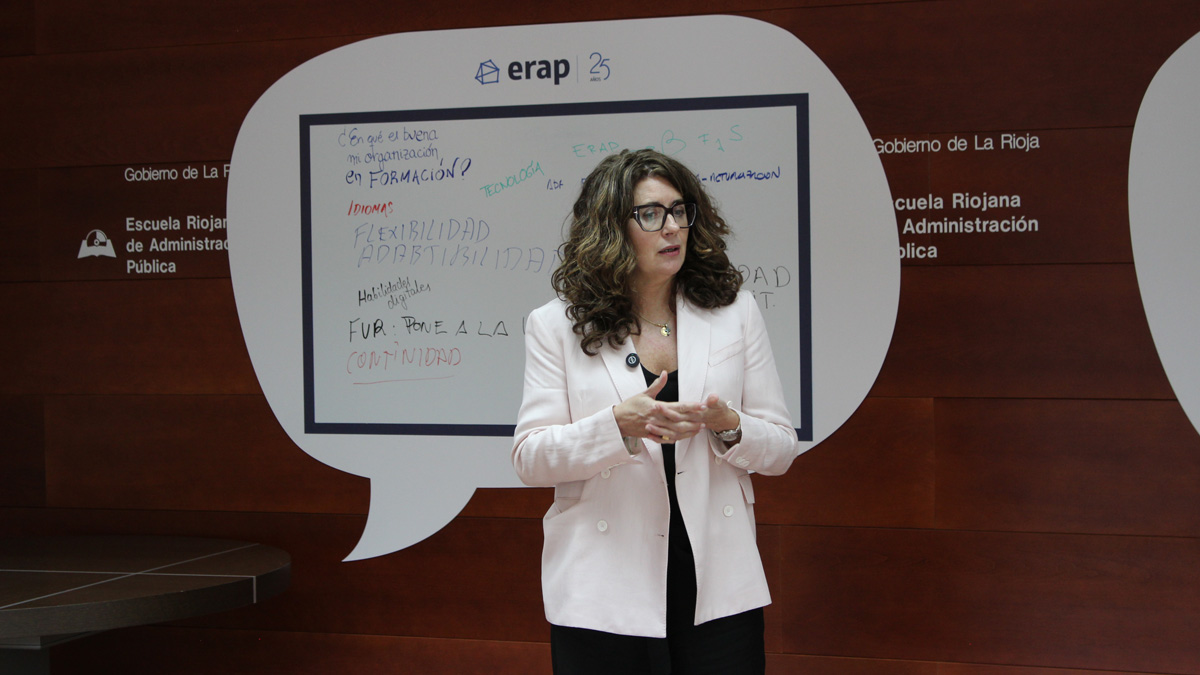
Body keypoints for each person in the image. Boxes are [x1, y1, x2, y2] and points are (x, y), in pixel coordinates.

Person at [512, 149, 799, 674]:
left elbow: (781, 448)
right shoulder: (556, 326)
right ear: (610, 230)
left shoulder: (735, 313)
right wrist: (616, 427)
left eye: (679, 210)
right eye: (650, 214)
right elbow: (531, 458)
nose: (672, 227)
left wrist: (729, 426)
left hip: (715, 578)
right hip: (604, 581)